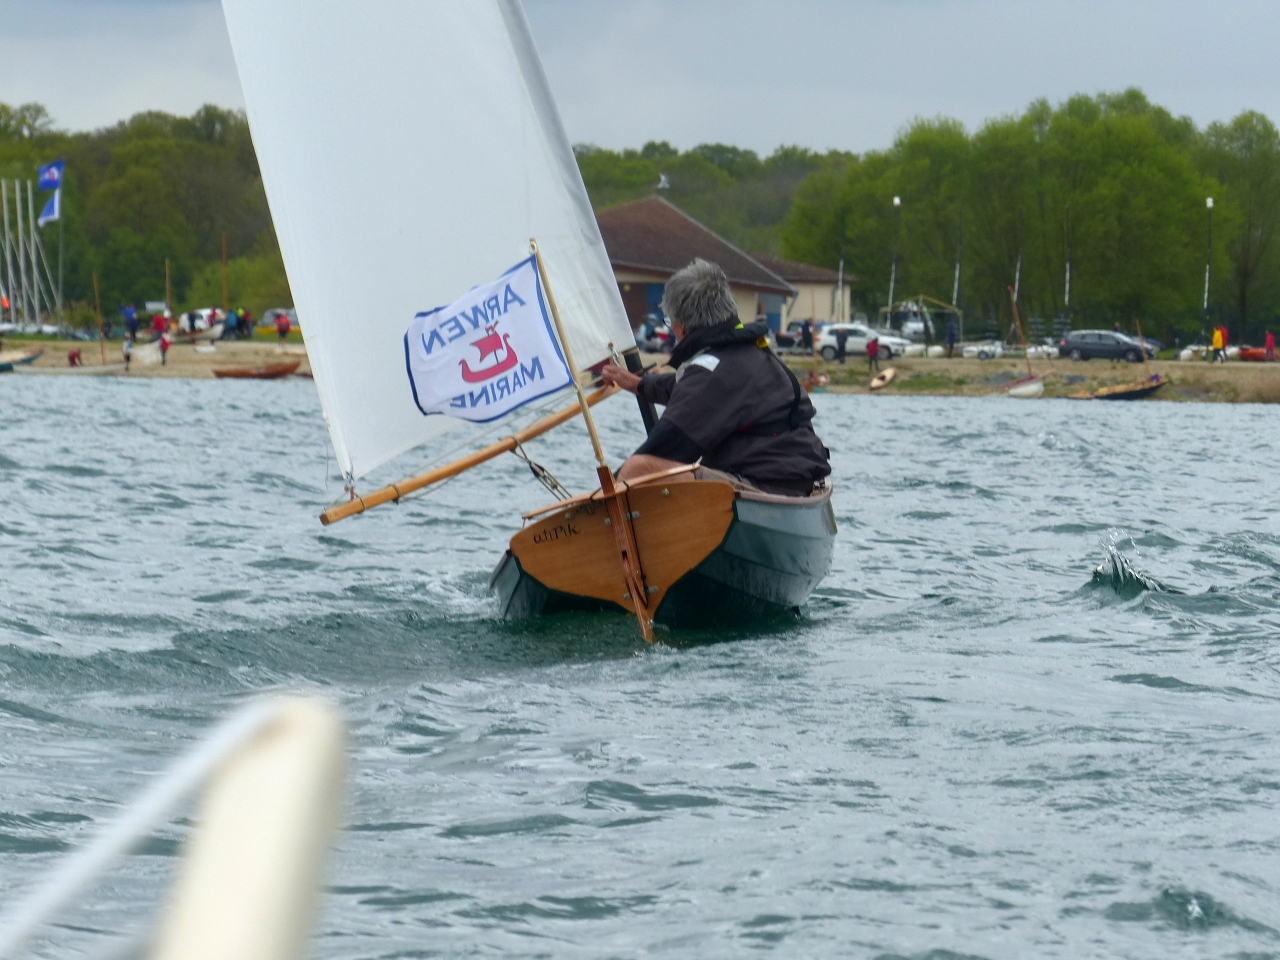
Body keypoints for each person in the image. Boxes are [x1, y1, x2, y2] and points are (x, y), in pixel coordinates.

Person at [599, 258, 830, 497]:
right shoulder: (749, 354)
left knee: (639, 468)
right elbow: (688, 388)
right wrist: (639, 385)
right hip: (795, 481)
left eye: (670, 322)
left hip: (761, 487)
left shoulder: (713, 375)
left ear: (683, 327)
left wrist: (599, 497)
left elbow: (661, 450)